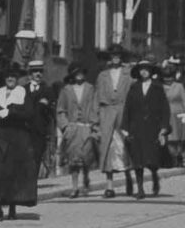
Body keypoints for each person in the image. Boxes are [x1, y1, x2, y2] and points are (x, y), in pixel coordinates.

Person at [0, 65, 52, 220]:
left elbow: (29, 114)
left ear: (17, 79)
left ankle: (12, 207)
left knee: (13, 172)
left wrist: (11, 112)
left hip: (17, 136)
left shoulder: (22, 93)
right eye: (8, 77)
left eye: (13, 77)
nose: (11, 79)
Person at [119, 61, 172, 199]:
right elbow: (127, 108)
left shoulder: (157, 87)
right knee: (138, 160)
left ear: (151, 71)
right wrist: (125, 127)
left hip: (152, 127)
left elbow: (165, 109)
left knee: (152, 159)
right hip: (136, 127)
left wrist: (164, 128)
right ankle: (140, 189)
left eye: (146, 69)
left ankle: (155, 177)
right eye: (141, 69)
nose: (144, 72)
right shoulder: (134, 87)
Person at [56, 58, 98, 199]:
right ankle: (74, 187)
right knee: (74, 159)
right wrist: (65, 126)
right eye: (77, 73)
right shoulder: (66, 90)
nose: (80, 75)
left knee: (86, 156)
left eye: (81, 72)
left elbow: (94, 106)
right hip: (72, 128)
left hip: (86, 126)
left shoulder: (90, 88)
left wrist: (94, 124)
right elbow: (60, 109)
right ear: (72, 75)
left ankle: (86, 179)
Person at [94, 47, 133, 198]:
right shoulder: (102, 76)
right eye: (113, 56)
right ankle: (109, 185)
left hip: (123, 111)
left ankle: (128, 176)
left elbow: (133, 95)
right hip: (107, 113)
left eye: (118, 55)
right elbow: (97, 97)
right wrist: (95, 120)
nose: (115, 58)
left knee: (124, 145)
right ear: (109, 58)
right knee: (108, 147)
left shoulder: (128, 74)